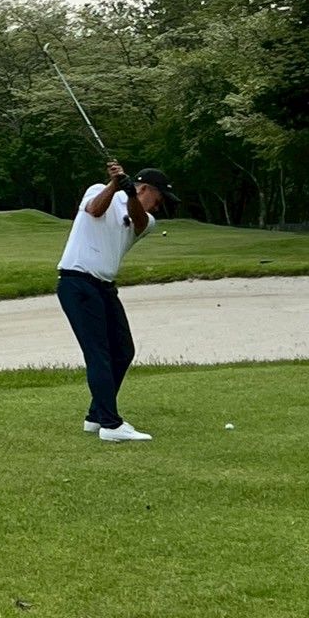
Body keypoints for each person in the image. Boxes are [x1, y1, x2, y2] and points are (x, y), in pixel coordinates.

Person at [57, 160, 179, 443]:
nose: (158, 208)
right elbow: (94, 210)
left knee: (123, 351)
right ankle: (111, 425)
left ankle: (96, 416)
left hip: (104, 288)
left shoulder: (146, 219)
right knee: (99, 352)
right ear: (145, 187)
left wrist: (131, 195)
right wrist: (114, 185)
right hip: (77, 282)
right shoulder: (99, 191)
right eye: (158, 200)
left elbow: (137, 220)